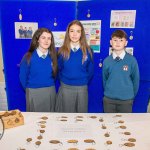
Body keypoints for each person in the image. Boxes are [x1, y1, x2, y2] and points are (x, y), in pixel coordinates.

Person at [55, 20, 94, 113]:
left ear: (82, 34)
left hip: (82, 89)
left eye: (78, 31)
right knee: (65, 118)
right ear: (68, 33)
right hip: (66, 88)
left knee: (80, 119)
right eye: (72, 31)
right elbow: (58, 69)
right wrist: (66, 80)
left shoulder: (88, 51)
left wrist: (81, 81)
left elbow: (90, 72)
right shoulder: (61, 51)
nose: (74, 34)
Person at [19, 28, 57, 112]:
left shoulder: (53, 56)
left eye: (49, 38)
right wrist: (30, 90)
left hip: (50, 91)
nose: (46, 41)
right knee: (35, 121)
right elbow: (23, 77)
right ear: (37, 40)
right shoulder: (28, 57)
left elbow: (55, 75)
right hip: (33, 91)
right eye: (43, 38)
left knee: (50, 119)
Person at [102, 29, 139, 113]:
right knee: (109, 124)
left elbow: (136, 80)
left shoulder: (132, 60)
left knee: (124, 124)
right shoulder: (106, 61)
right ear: (111, 42)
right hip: (109, 100)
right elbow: (105, 80)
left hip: (126, 101)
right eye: (115, 40)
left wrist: (130, 96)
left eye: (121, 40)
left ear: (126, 43)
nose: (118, 43)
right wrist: (109, 92)